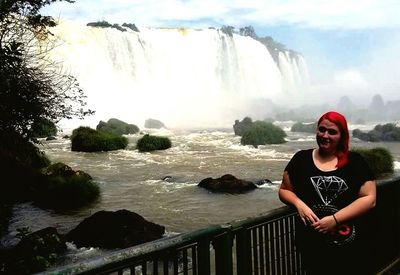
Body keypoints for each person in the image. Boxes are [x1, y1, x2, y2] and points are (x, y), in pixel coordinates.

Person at [278, 111, 376, 275]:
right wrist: (298, 204)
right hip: (311, 244)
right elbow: (284, 190)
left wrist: (334, 220)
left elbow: (369, 198)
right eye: (322, 130)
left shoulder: (355, 162)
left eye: (332, 132)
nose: (325, 135)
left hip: (349, 245)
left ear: (342, 136)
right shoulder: (301, 159)